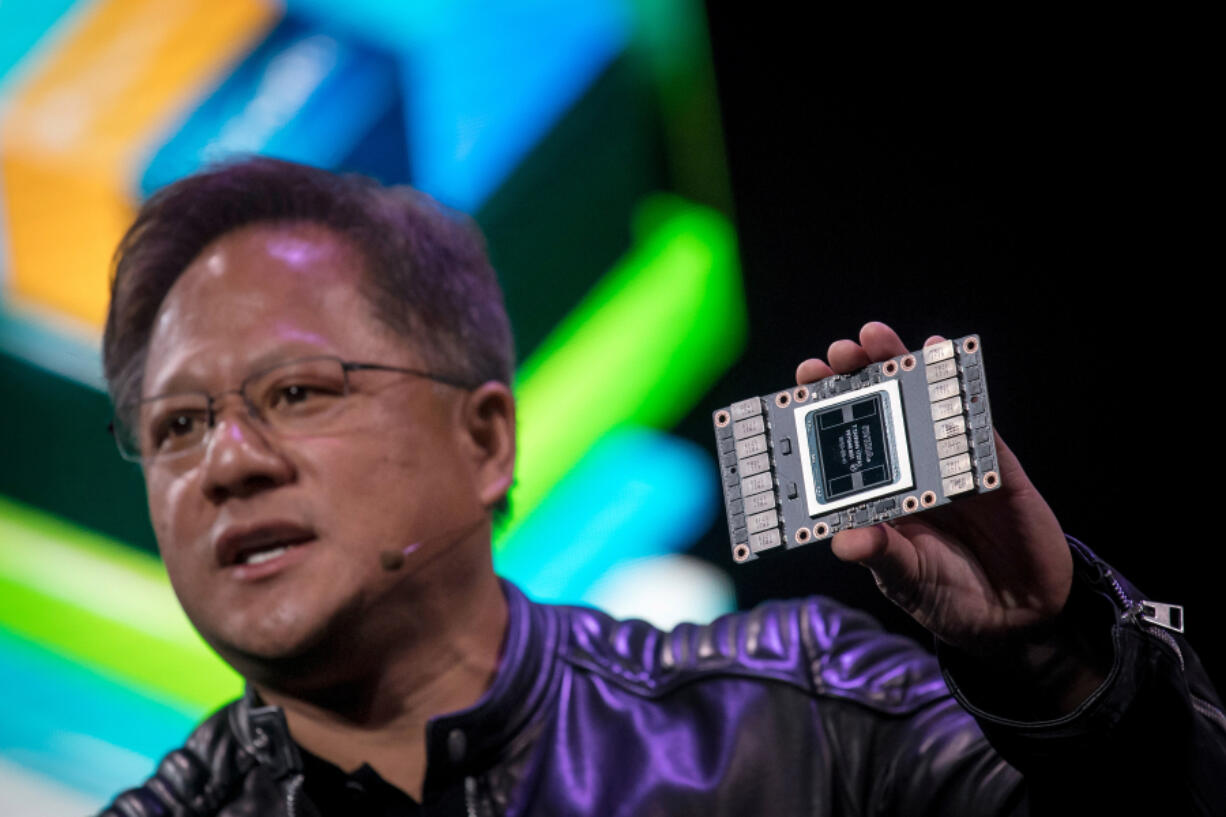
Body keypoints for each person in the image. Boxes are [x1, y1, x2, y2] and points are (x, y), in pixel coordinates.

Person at [97, 157, 1224, 817]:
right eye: (178, 424)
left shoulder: (798, 717)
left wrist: (1057, 666)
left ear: (485, 438)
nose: (227, 462)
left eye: (296, 392)